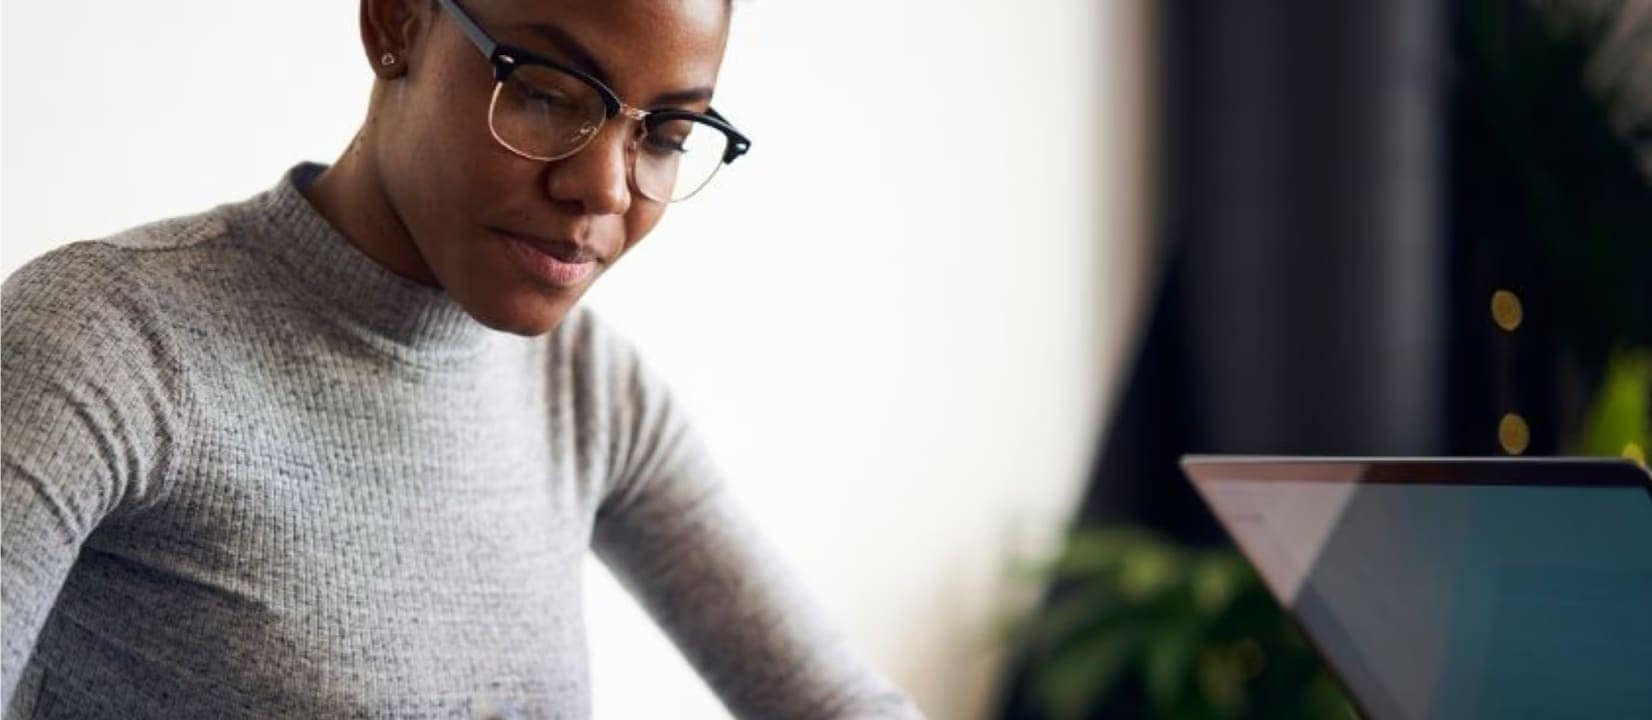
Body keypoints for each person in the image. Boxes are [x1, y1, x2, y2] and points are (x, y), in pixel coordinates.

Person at [0, 0, 923, 717]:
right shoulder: (108, 343)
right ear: (396, 22)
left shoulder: (591, 391)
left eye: (667, 136)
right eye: (549, 92)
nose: (603, 186)